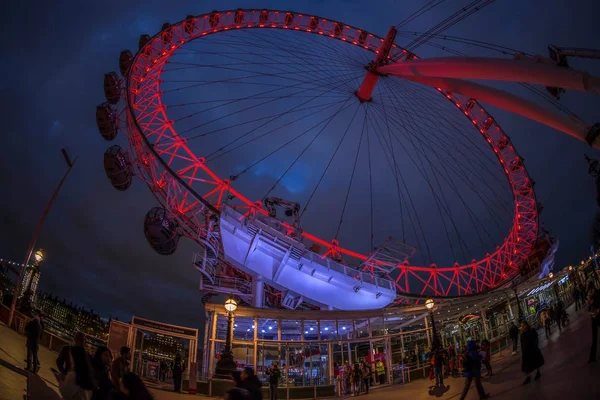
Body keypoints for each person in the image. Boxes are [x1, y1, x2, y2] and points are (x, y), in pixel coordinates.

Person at [55, 332, 96, 399]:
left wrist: (62, 373)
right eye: (78, 339)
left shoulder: (67, 349)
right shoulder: (87, 355)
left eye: (80, 339)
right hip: (80, 384)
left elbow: (59, 362)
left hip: (72, 380)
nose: (79, 341)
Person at [520, 320, 544, 384]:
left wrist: (535, 346)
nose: (523, 327)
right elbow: (522, 343)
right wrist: (523, 350)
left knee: (536, 362)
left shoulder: (532, 331)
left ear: (526, 325)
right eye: (522, 326)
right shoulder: (522, 334)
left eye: (523, 325)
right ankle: (528, 376)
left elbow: (536, 338)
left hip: (533, 350)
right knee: (526, 365)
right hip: (526, 352)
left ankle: (538, 372)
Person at [588, 286, 600, 362]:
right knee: (594, 337)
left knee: (595, 337)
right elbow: (589, 309)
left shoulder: (597, 295)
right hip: (594, 318)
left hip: (598, 316)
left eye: (590, 292)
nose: (589, 294)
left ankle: (592, 357)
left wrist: (596, 311)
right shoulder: (591, 298)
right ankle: (592, 357)